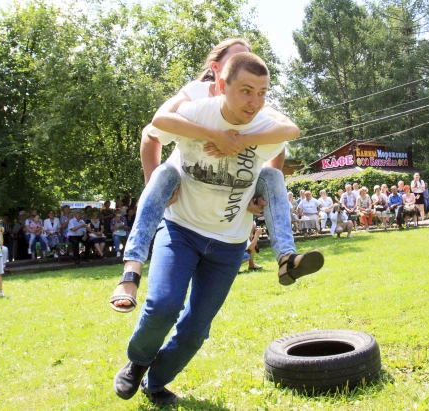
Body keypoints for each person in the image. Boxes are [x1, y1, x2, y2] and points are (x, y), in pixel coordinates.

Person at [112, 52, 324, 406]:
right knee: (163, 305)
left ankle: (156, 382)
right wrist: (214, 135)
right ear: (221, 85)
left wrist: (240, 144)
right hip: (182, 230)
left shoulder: (262, 123)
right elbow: (156, 125)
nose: (254, 102)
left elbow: (290, 133)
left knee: (197, 329)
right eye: (245, 91)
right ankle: (137, 362)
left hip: (228, 243)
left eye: (262, 92)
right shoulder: (197, 110)